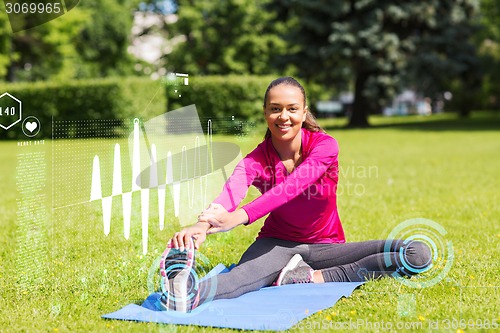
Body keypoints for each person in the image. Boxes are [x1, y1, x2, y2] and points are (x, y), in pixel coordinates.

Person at [161, 77, 432, 312]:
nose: (283, 116)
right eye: (275, 109)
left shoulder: (325, 146)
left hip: (328, 246)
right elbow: (229, 194)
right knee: (242, 276)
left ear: (304, 113)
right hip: (277, 243)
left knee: (417, 253)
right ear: (265, 113)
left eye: (292, 109)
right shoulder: (254, 160)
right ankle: (184, 294)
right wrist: (201, 226)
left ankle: (312, 276)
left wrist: (240, 217)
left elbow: (291, 188)